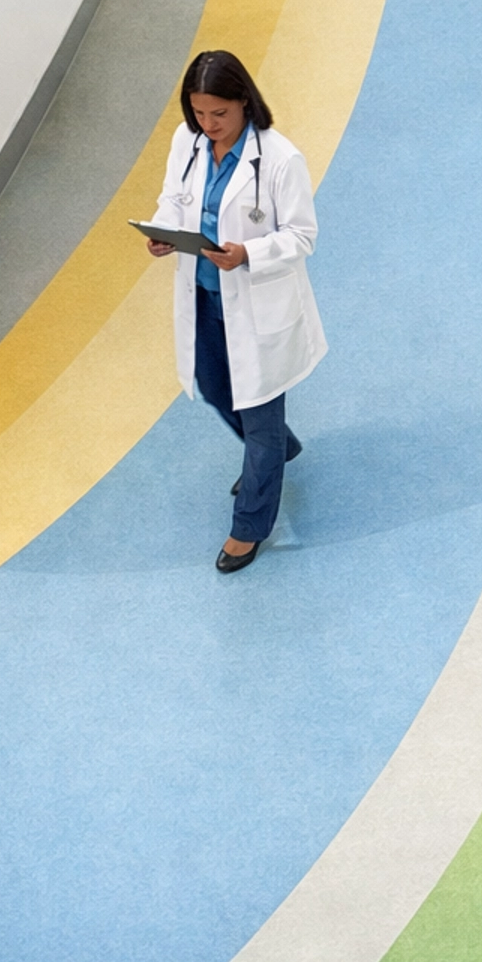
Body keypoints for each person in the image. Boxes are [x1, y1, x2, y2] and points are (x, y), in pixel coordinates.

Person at [144, 50, 325, 572]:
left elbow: (302, 236)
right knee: (215, 387)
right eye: (199, 113)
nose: (209, 125)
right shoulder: (189, 141)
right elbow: (174, 199)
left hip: (257, 302)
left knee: (260, 413)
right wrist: (162, 232)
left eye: (219, 114)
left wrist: (250, 253)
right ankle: (276, 452)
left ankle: (249, 527)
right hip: (204, 294)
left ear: (244, 101)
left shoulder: (280, 159)